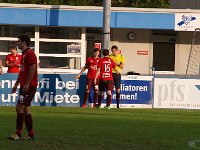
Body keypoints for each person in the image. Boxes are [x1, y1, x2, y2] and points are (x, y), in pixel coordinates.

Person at [8, 34, 38, 140]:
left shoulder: (30, 54)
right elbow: (22, 72)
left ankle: (18, 133)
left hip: (29, 87)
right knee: (26, 110)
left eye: (19, 41)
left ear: (24, 42)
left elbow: (32, 69)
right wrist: (16, 85)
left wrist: (26, 84)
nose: (17, 43)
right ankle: (30, 135)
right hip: (25, 86)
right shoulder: (24, 54)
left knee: (19, 108)